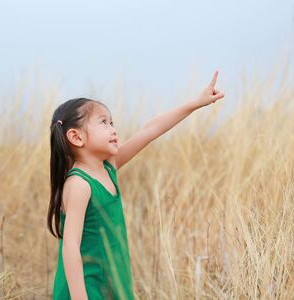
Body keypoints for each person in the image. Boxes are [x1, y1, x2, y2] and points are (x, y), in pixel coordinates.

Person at [48, 71, 225, 299]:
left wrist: (194, 104)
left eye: (112, 122)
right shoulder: (79, 185)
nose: (113, 128)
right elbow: (70, 249)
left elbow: (149, 130)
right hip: (85, 288)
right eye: (104, 122)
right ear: (77, 137)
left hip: (113, 281)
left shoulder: (108, 168)